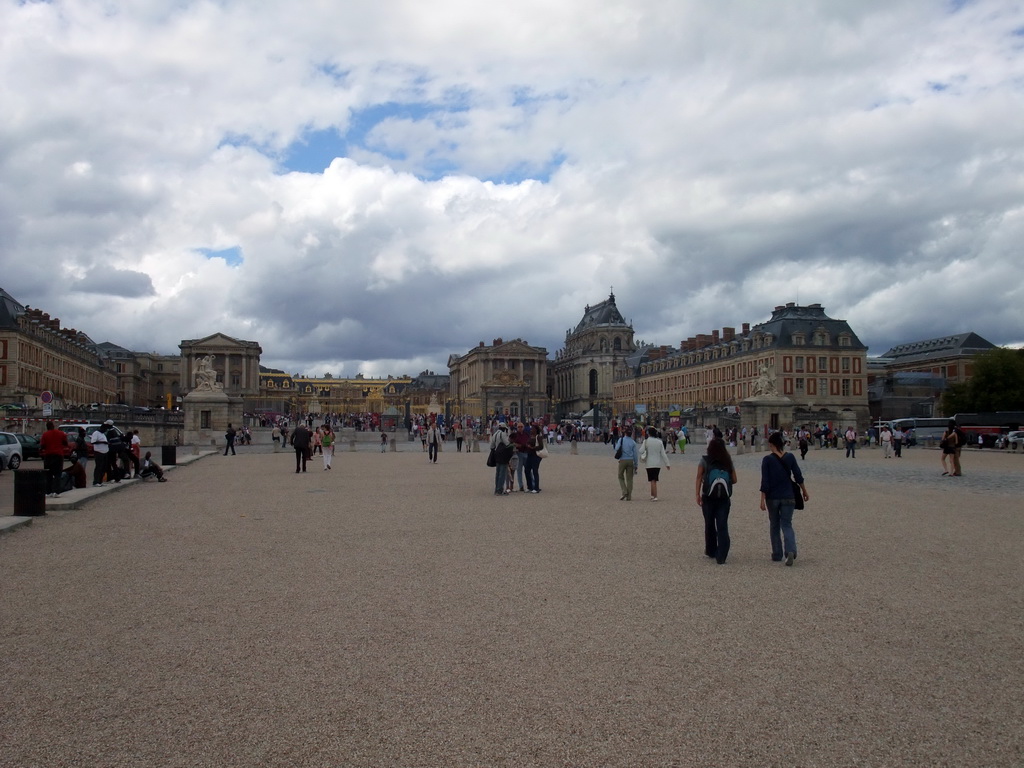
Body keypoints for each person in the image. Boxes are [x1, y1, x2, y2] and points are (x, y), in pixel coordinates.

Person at [760, 431, 809, 566]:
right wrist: (804, 491)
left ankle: (777, 554)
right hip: (788, 496)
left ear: (772, 445)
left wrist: (761, 500)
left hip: (773, 497)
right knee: (787, 524)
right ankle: (790, 551)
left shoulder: (767, 459)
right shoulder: (790, 457)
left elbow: (765, 482)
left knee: (774, 525)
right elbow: (798, 476)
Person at [696, 437, 738, 564]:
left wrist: (697, 494)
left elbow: (698, 477)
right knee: (722, 525)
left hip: (708, 497)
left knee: (709, 524)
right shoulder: (728, 461)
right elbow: (735, 479)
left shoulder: (705, 460)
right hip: (724, 498)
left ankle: (711, 550)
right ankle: (722, 554)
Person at [639, 426, 670, 501]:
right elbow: (663, 454)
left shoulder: (646, 441)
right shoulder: (659, 442)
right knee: (654, 479)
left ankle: (655, 495)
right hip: (657, 463)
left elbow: (641, 450)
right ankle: (652, 495)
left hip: (649, 463)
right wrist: (667, 464)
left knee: (652, 480)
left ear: (649, 433)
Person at [39, 421, 69, 496]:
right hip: (58, 455)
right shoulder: (61, 433)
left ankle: (48, 492)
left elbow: (42, 446)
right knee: (57, 474)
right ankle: (56, 492)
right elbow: (65, 443)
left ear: (47, 427)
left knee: (48, 474)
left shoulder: (45, 434)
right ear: (53, 426)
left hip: (48, 456)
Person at [613, 426, 639, 501]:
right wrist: (636, 464)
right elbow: (635, 455)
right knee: (630, 479)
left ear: (625, 433)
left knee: (620, 476)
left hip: (622, 460)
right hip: (630, 460)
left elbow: (616, 448)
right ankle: (629, 496)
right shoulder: (633, 442)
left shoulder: (621, 440)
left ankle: (624, 491)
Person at [489, 422, 514, 496]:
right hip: (503, 455)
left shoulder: (495, 434)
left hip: (496, 454)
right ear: (503, 428)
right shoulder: (502, 434)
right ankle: (500, 490)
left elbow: (492, 446)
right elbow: (507, 444)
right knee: (502, 473)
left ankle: (496, 489)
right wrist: (513, 444)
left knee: (498, 473)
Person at [524, 425, 545, 493]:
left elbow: (541, 446)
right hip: (529, 455)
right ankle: (529, 486)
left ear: (536, 430)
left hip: (536, 456)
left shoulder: (538, 437)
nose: (531, 430)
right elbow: (527, 442)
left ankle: (536, 487)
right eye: (531, 429)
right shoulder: (530, 436)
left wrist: (533, 448)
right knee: (527, 470)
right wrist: (527, 445)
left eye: (532, 429)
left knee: (535, 471)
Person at [90, 422, 111, 486]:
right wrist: (103, 442)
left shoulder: (103, 434)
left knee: (104, 467)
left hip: (105, 452)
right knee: (98, 467)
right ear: (102, 428)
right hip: (99, 452)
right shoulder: (96, 433)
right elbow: (93, 442)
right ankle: (96, 481)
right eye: (105, 429)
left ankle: (100, 481)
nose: (105, 430)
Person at [511, 423, 530, 491]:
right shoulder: (515, 435)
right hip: (519, 453)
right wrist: (517, 445)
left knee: (528, 470)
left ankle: (530, 484)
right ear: (517, 428)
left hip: (526, 453)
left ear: (524, 427)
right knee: (519, 471)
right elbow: (511, 442)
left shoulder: (527, 434)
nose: (520, 428)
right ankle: (521, 486)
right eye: (519, 427)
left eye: (521, 427)